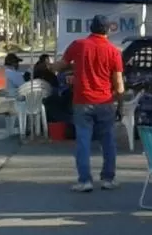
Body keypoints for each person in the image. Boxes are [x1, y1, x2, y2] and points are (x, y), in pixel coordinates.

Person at [52, 15, 125, 192]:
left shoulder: (79, 45)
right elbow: (118, 82)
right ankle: (108, 179)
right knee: (108, 142)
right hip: (105, 102)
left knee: (83, 141)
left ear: (90, 28)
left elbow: (61, 65)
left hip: (82, 101)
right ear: (108, 30)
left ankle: (85, 181)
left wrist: (50, 67)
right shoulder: (113, 51)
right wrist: (120, 103)